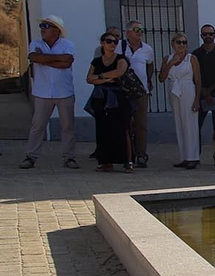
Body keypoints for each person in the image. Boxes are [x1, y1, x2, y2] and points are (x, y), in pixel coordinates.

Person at [23, 15, 78, 169]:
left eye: (46, 26)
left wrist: (44, 59)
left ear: (56, 30)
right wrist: (55, 60)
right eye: (42, 26)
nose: (42, 29)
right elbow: (33, 57)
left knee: (67, 126)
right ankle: (31, 156)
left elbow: (67, 62)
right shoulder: (36, 43)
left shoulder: (67, 44)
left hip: (64, 91)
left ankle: (69, 157)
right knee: (37, 125)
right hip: (42, 92)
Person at [86, 32, 133, 172]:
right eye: (109, 41)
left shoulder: (121, 59)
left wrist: (99, 77)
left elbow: (119, 72)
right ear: (102, 43)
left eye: (115, 41)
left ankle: (128, 161)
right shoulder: (96, 61)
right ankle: (105, 162)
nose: (112, 44)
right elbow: (89, 78)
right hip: (101, 98)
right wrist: (106, 79)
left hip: (119, 98)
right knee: (103, 129)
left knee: (122, 129)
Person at [159, 33, 201, 168]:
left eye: (184, 42)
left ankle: (193, 157)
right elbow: (161, 78)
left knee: (190, 123)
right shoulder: (167, 59)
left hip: (188, 89)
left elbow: (198, 80)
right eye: (179, 42)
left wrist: (197, 100)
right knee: (179, 122)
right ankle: (184, 156)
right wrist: (171, 63)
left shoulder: (191, 58)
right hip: (174, 89)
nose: (181, 45)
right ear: (173, 44)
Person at [121, 20, 154, 168]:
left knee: (141, 125)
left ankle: (141, 154)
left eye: (142, 29)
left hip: (141, 92)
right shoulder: (119, 46)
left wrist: (148, 81)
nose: (140, 32)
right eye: (136, 29)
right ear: (128, 32)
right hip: (123, 91)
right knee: (125, 124)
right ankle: (126, 155)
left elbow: (150, 66)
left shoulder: (147, 49)